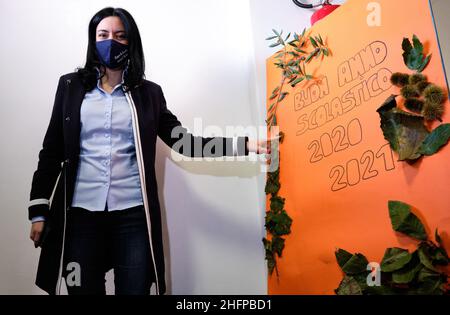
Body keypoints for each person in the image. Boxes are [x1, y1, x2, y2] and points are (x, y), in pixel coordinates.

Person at [28, 7, 273, 295]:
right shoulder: (70, 86)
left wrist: (242, 144)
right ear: (93, 40)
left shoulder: (148, 94)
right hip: (80, 215)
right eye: (103, 35)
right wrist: (38, 211)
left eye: (120, 36)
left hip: (132, 217)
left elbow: (185, 142)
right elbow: (51, 150)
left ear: (131, 43)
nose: (111, 42)